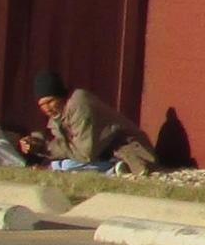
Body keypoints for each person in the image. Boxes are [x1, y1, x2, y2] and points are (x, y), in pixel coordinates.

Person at [18, 70, 160, 176]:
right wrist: (36, 142)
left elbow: (85, 153)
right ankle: (112, 168)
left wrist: (46, 148)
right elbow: (61, 142)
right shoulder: (58, 115)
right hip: (102, 153)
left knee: (66, 165)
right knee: (61, 163)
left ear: (60, 96)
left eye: (50, 101)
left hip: (131, 151)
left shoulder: (79, 104)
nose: (47, 108)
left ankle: (114, 168)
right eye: (42, 105)